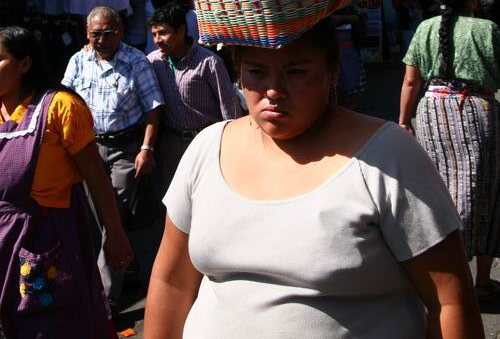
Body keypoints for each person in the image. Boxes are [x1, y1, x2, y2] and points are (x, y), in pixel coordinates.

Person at [144, 17, 483, 339]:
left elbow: (449, 299)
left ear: (333, 72)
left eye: (296, 72)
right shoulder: (207, 148)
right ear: (238, 72)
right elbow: (172, 281)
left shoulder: (388, 156)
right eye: (257, 72)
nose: (273, 90)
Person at [0, 26, 133, 337]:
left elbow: (96, 177)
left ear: (25, 64)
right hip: (3, 240)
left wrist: (114, 234)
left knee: (50, 325)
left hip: (45, 245)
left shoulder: (60, 107)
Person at [400, 0, 500, 302]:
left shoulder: (424, 28)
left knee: (440, 192)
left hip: (431, 113)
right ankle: (481, 282)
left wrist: (404, 120)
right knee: (485, 192)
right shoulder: (487, 29)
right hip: (477, 111)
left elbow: (411, 81)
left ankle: (448, 280)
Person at [62, 5, 164, 308]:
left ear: (120, 31)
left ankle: (103, 297)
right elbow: (64, 99)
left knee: (113, 217)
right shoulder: (78, 60)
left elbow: (153, 108)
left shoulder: (135, 61)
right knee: (99, 217)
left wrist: (146, 149)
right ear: (87, 33)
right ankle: (127, 270)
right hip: (89, 149)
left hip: (125, 150)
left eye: (108, 33)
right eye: (96, 34)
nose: (102, 40)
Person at [147, 2, 241, 195]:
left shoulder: (209, 62)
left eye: (163, 33)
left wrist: (233, 145)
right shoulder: (153, 61)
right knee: (175, 197)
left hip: (206, 142)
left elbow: (229, 108)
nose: (157, 40)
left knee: (208, 193)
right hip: (172, 144)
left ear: (181, 30)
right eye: (154, 34)